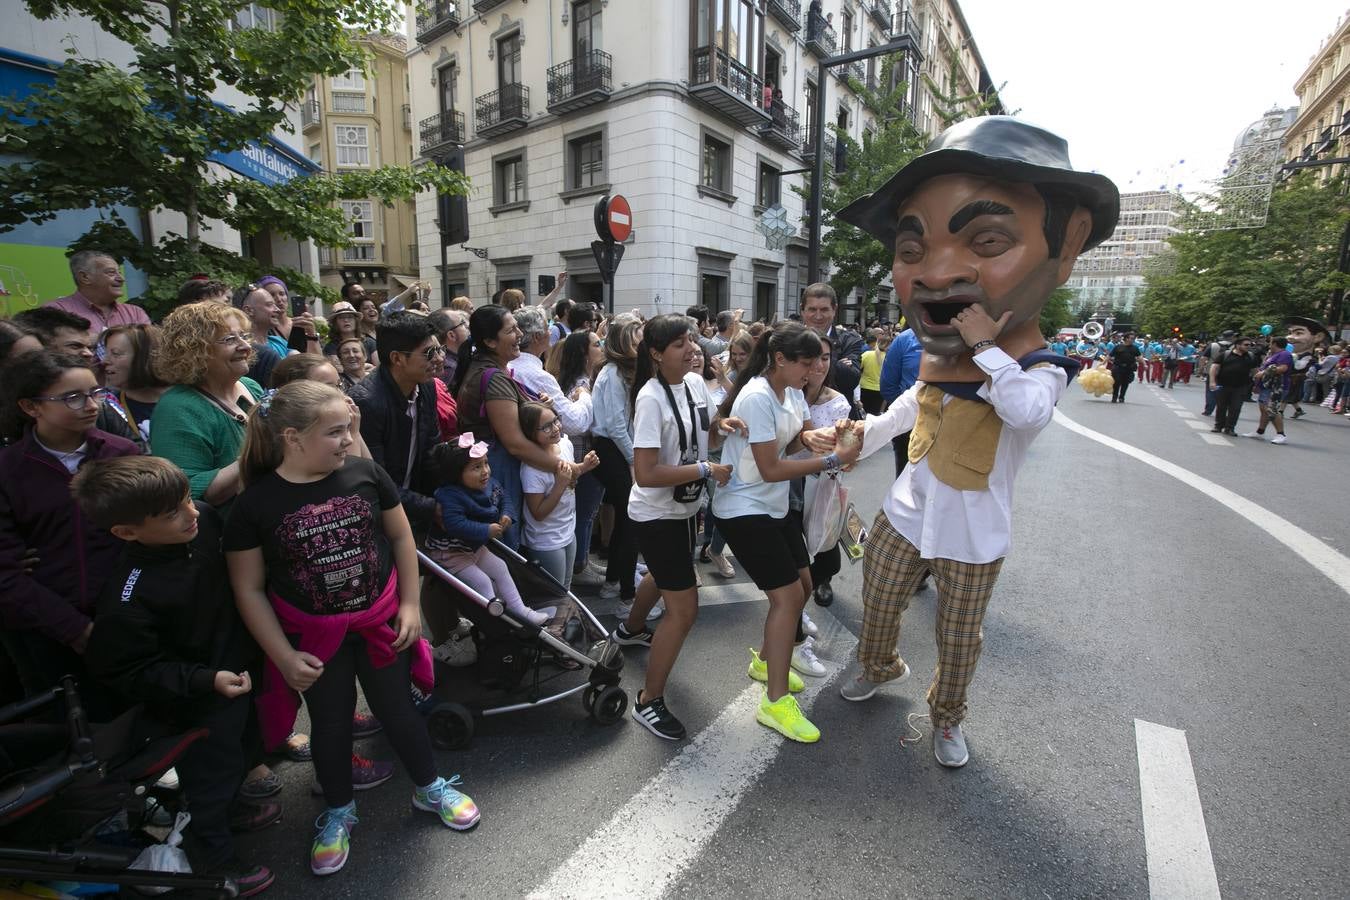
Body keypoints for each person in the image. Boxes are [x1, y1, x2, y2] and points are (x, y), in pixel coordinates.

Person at [832, 116, 1112, 767]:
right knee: (876, 597)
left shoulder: (1040, 366)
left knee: (959, 638)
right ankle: (879, 664)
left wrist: (986, 345)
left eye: (986, 238)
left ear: (1065, 247)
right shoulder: (935, 354)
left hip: (974, 532)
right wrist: (861, 435)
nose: (937, 274)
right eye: (912, 251)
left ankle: (948, 717)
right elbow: (911, 407)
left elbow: (1025, 413)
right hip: (908, 509)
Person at [224, 381, 479, 877]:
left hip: (381, 622)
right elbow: (249, 589)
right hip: (314, 640)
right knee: (332, 723)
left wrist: (409, 605)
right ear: (292, 438)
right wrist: (281, 655)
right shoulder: (254, 504)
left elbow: (402, 537)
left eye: (350, 429)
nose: (348, 441)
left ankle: (430, 787)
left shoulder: (366, 473)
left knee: (399, 711)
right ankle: (338, 810)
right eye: (337, 432)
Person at [74, 457, 275, 897]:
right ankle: (214, 858)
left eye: (187, 498)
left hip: (242, 672)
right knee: (210, 778)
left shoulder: (203, 526)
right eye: (173, 513)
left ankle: (232, 811)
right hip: (198, 700)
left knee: (244, 752)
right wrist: (204, 680)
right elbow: (127, 669)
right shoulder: (130, 594)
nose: (193, 512)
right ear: (126, 532)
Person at [713, 321, 859, 743]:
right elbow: (771, 467)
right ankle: (774, 702)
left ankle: (765, 660)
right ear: (780, 359)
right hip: (744, 508)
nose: (814, 371)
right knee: (788, 597)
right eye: (806, 363)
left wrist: (818, 439)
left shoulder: (792, 390)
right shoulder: (757, 396)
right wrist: (832, 460)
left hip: (772, 505)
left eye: (818, 363)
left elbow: (792, 442)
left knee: (805, 584)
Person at [0, 350, 140, 706]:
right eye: (73, 397)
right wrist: (75, 629)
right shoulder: (9, 470)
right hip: (47, 629)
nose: (91, 405)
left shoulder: (121, 453)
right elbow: (7, 573)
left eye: (95, 392)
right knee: (73, 726)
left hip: (127, 617)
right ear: (32, 407)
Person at [619, 316, 735, 740]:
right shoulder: (650, 398)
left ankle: (630, 629)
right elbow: (646, 473)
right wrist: (705, 467)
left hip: (684, 509)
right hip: (656, 514)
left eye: (691, 340)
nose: (691, 349)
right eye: (679, 344)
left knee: (666, 574)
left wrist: (721, 429)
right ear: (655, 353)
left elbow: (701, 433)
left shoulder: (694, 384)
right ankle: (648, 701)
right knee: (684, 610)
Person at [452, 305, 580, 551]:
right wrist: (564, 468)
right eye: (511, 330)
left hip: (496, 467)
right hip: (500, 471)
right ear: (490, 341)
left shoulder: (492, 370)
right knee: (506, 547)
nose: (520, 334)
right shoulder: (494, 378)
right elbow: (514, 442)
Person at [431, 433, 555, 626]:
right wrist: (485, 530)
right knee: (482, 582)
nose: (485, 471)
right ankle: (497, 622)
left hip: (474, 548)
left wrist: (506, 515)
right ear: (456, 473)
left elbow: (504, 498)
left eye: (486, 464)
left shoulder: (488, 484)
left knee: (501, 567)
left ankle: (521, 612)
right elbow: (455, 524)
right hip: (451, 553)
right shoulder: (450, 495)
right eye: (476, 467)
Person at [151, 301, 264, 509]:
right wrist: (259, 451)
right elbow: (187, 492)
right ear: (194, 350)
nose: (246, 346)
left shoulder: (251, 387)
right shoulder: (178, 407)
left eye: (244, 336)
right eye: (230, 339)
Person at [349, 312, 444, 533]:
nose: (439, 359)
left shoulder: (427, 387)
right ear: (397, 358)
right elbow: (376, 479)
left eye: (439, 350)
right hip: (381, 518)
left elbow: (432, 452)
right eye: (429, 353)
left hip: (415, 506)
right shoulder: (366, 402)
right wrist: (431, 507)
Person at [589, 317, 648, 613]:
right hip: (611, 449)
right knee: (630, 523)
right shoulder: (612, 373)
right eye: (638, 337)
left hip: (617, 448)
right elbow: (614, 425)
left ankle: (614, 583)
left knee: (628, 521)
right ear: (625, 340)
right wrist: (633, 460)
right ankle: (627, 598)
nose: (643, 343)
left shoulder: (623, 371)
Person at [799, 332, 856, 614]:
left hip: (823, 479)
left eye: (825, 358)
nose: (819, 365)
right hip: (783, 477)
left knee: (825, 530)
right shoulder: (785, 394)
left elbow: (843, 452)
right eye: (812, 358)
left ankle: (823, 579)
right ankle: (799, 580)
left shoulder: (838, 403)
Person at [519, 402, 600, 591]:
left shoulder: (565, 444)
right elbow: (538, 513)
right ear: (530, 432)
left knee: (566, 590)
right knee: (555, 594)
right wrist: (560, 484)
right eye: (546, 427)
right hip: (546, 540)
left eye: (555, 421)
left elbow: (571, 482)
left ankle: (563, 620)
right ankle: (555, 621)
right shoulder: (531, 469)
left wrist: (583, 468)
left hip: (567, 530)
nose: (555, 428)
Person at [549, 328, 608, 587]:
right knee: (585, 513)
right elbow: (585, 424)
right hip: (583, 458)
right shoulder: (582, 385)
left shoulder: (578, 380)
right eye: (596, 344)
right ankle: (580, 565)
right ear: (584, 353)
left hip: (581, 458)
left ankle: (582, 558)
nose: (601, 347)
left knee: (585, 512)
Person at [44, 249, 150, 336]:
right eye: (111, 272)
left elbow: (150, 348)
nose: (121, 279)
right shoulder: (56, 311)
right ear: (85, 277)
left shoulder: (135, 313)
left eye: (120, 272)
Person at [98, 324, 169, 448]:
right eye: (106, 353)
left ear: (146, 357)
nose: (105, 361)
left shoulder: (190, 398)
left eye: (116, 354)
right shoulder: (107, 409)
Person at [801, 283, 865, 399]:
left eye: (824, 310)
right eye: (812, 309)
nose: (818, 316)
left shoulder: (850, 339)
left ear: (834, 310)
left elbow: (850, 381)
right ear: (802, 310)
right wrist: (837, 363)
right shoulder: (791, 338)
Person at [879, 327, 922, 478]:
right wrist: (907, 415)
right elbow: (888, 386)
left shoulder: (967, 335)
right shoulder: (904, 340)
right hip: (909, 429)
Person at [1242, 334, 1295, 444]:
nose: (1269, 345)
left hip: (1276, 387)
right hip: (1267, 386)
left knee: (1271, 409)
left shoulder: (1285, 354)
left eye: (1270, 343)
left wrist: (1264, 372)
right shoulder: (1273, 354)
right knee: (1264, 409)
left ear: (1275, 344)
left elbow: (1282, 368)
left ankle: (1281, 434)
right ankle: (1260, 431)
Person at [1109, 332, 1141, 403]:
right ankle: (1114, 397)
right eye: (1131, 338)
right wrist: (1103, 363)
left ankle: (1121, 397)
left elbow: (1139, 356)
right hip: (1118, 367)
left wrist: (1144, 364)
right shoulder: (1118, 347)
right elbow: (1110, 355)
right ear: (1126, 339)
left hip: (1129, 368)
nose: (1133, 340)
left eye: (1133, 338)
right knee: (1116, 382)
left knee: (1125, 383)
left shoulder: (1135, 348)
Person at [859, 329, 885, 414]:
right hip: (879, 390)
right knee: (874, 415)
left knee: (862, 415)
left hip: (864, 388)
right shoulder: (889, 357)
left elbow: (857, 369)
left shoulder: (866, 354)